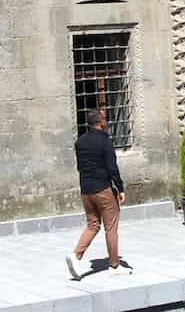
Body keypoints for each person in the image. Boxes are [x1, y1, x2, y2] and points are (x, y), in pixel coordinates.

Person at [66, 108, 131, 279]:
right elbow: (112, 168)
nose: (107, 122)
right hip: (102, 189)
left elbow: (79, 167)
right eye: (105, 119)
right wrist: (120, 188)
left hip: (86, 190)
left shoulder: (80, 142)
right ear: (101, 122)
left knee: (92, 225)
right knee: (111, 227)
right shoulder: (105, 141)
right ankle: (114, 265)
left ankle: (75, 256)